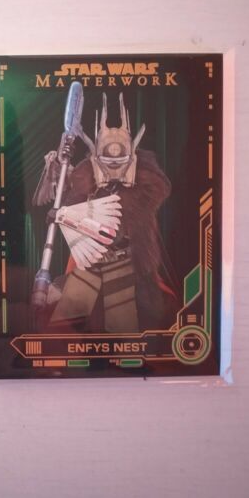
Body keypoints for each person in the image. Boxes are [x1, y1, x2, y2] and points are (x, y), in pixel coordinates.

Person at [36, 92, 178, 333]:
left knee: (123, 327)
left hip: (125, 263)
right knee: (63, 325)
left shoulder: (144, 180)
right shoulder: (86, 174)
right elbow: (70, 202)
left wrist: (133, 175)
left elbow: (159, 190)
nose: (113, 165)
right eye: (107, 159)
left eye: (121, 159)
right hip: (91, 262)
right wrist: (61, 179)